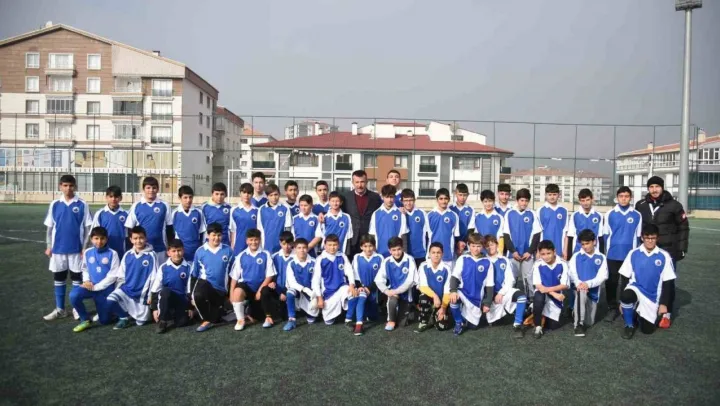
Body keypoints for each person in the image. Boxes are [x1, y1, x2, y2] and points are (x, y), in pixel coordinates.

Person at [634, 176, 688, 328]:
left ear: (662, 187)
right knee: (646, 279)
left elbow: (683, 227)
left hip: (667, 249)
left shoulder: (674, 205)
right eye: (651, 187)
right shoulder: (641, 205)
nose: (654, 190)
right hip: (647, 249)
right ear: (648, 188)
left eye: (657, 186)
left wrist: (682, 248)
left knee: (667, 280)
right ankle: (645, 308)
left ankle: (666, 313)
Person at [43, 174, 93, 321]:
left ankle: (76, 309)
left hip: (76, 249)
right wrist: (49, 246)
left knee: (77, 278)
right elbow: (50, 228)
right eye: (65, 185)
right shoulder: (55, 204)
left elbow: (88, 228)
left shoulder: (82, 204)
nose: (68, 188)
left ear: (75, 187)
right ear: (60, 186)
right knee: (59, 278)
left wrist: (85, 247)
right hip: (58, 249)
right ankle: (60, 309)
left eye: (71, 185)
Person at [619, 224, 676, 339]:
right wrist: (621, 301)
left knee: (647, 330)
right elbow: (624, 277)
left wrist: (664, 304)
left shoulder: (664, 256)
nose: (650, 241)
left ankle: (637, 312)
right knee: (626, 296)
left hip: (652, 297)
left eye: (653, 238)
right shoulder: (633, 253)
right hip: (636, 288)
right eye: (647, 238)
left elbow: (668, 283)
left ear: (657, 238)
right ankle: (629, 325)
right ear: (642, 238)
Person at [602, 186, 641, 322]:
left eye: (626, 196)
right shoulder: (610, 214)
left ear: (630, 198)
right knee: (611, 282)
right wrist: (607, 253)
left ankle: (625, 307)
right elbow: (605, 235)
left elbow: (638, 236)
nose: (624, 199)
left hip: (629, 257)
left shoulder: (637, 215)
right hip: (612, 255)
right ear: (617, 198)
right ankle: (612, 308)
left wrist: (635, 256)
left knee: (627, 283)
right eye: (621, 196)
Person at [69, 227, 120, 332]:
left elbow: (113, 276)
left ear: (106, 239)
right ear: (91, 239)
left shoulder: (113, 253)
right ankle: (85, 319)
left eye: (102, 238)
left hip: (105, 290)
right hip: (90, 286)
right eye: (96, 238)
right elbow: (85, 269)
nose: (99, 241)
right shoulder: (88, 252)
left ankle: (111, 311)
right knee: (74, 295)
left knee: (105, 321)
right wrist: (86, 281)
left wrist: (96, 287)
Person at [106, 226, 157, 329]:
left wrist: (151, 295)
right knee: (110, 300)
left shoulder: (152, 255)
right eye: (135, 238)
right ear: (131, 240)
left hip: (142, 294)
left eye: (141, 238)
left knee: (140, 323)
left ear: (146, 238)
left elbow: (154, 277)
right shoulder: (127, 254)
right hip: (127, 290)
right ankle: (124, 317)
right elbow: (121, 276)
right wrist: (118, 289)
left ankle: (141, 313)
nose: (138, 241)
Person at [189, 223, 234, 332]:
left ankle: (217, 313)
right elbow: (194, 274)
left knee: (217, 318)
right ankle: (207, 319)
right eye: (214, 235)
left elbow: (233, 274)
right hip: (205, 288)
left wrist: (230, 294)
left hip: (220, 291)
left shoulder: (228, 250)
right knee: (201, 286)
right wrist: (191, 296)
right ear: (208, 235)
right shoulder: (200, 251)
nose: (216, 238)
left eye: (219, 235)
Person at [447, 233, 494, 336]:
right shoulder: (463, 258)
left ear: (482, 246)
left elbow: (490, 285)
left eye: (478, 246)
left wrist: (487, 303)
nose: (475, 249)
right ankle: (458, 322)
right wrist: (453, 291)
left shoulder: (487, 262)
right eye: (473, 246)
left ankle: (465, 317)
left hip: (476, 299)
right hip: (463, 292)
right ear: (468, 245)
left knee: (473, 326)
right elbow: (454, 277)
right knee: (453, 299)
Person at [229, 228, 275, 331]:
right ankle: (240, 320)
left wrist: (259, 290)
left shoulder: (266, 254)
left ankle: (261, 314)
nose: (253, 242)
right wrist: (231, 294)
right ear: (247, 241)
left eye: (256, 239)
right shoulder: (241, 256)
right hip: (247, 288)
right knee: (237, 291)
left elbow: (269, 276)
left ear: (260, 240)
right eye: (251, 240)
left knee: (258, 316)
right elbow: (234, 277)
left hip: (261, 289)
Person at [567, 229, 608, 337]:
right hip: (579, 290)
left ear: (594, 242)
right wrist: (579, 284)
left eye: (587, 243)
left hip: (593, 295)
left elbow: (602, 276)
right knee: (581, 291)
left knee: (589, 323)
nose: (585, 246)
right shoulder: (576, 256)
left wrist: (588, 284)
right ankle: (578, 325)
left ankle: (576, 311)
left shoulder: (601, 257)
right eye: (583, 244)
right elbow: (572, 273)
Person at [503, 188, 541, 302]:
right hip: (513, 254)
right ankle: (511, 302)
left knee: (529, 279)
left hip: (527, 254)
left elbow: (537, 234)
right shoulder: (509, 214)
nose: (524, 203)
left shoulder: (532, 214)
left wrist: (529, 251)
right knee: (512, 279)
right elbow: (506, 235)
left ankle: (530, 301)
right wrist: (513, 251)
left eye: (526, 201)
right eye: (522, 200)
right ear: (517, 200)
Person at [484, 235, 527, 339]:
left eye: (492, 244)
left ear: (497, 245)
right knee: (489, 322)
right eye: (487, 246)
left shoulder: (504, 260)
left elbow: (510, 280)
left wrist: (501, 293)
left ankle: (517, 324)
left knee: (521, 297)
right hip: (488, 296)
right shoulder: (483, 260)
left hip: (503, 292)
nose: (490, 247)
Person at [125, 176, 173, 264]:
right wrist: (131, 247)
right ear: (143, 189)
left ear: (158, 189)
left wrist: (170, 247)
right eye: (148, 188)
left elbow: (169, 228)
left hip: (160, 248)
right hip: (142, 249)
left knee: (159, 271)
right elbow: (130, 228)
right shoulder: (136, 206)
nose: (151, 190)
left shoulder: (164, 205)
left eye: (154, 188)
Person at [312, 234, 357, 326]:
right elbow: (315, 281)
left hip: (341, 287)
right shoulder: (320, 259)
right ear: (325, 245)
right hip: (328, 292)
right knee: (328, 322)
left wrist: (352, 285)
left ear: (338, 245)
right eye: (330, 245)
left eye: (335, 245)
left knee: (352, 292)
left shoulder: (342, 256)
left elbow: (349, 271)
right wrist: (319, 298)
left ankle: (348, 318)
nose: (332, 247)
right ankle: (335, 312)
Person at [149, 239, 191, 334]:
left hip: (181, 299)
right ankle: (162, 321)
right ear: (168, 253)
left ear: (183, 251)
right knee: (165, 291)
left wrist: (190, 307)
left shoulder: (188, 267)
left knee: (182, 323)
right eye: (174, 251)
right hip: (167, 298)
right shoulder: (163, 267)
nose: (177, 253)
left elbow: (189, 289)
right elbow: (155, 288)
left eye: (179, 250)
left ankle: (173, 314)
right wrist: (155, 308)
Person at [374, 237, 417, 331]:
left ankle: (408, 309)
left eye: (399, 249)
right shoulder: (387, 261)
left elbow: (410, 281)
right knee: (393, 301)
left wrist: (396, 291)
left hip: (406, 294)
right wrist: (387, 291)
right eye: (393, 250)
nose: (397, 252)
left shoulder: (410, 259)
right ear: (389, 250)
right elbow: (378, 280)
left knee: (402, 324)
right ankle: (391, 320)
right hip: (392, 294)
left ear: (402, 248)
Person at [531, 240, 569, 339]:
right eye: (543, 254)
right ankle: (537, 326)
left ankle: (535, 311)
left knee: (553, 326)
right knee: (538, 298)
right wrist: (553, 293)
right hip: (543, 293)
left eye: (548, 253)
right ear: (539, 254)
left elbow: (564, 285)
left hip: (555, 296)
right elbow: (538, 286)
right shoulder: (537, 264)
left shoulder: (563, 264)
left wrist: (551, 292)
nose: (546, 256)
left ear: (554, 252)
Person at [341, 170, 382, 257]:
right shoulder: (346, 197)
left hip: (368, 239)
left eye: (362, 182)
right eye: (357, 182)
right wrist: (323, 213)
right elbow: (337, 210)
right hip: (352, 239)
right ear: (352, 182)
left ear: (367, 182)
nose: (359, 185)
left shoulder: (375, 197)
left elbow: (383, 211)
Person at [349, 235, 384, 333]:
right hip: (362, 289)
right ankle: (358, 325)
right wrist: (360, 286)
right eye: (365, 246)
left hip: (373, 290)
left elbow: (381, 277)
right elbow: (355, 274)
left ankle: (371, 312)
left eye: (370, 246)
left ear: (374, 246)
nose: (368, 249)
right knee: (361, 299)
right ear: (361, 247)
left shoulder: (379, 257)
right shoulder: (357, 257)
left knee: (373, 317)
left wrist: (370, 288)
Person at [415, 242, 452, 333]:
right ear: (429, 254)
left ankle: (435, 314)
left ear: (442, 254)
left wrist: (443, 307)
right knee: (423, 298)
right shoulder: (423, 266)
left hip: (442, 300)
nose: (436, 255)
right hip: (429, 298)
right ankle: (424, 321)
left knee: (442, 327)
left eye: (438, 252)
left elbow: (447, 291)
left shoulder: (447, 269)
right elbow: (422, 286)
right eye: (433, 252)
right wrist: (435, 296)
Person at [283, 238, 319, 331]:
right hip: (298, 291)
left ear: (307, 249)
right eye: (299, 248)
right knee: (290, 292)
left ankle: (308, 312)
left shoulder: (314, 262)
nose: (302, 250)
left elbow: (317, 281)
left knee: (311, 320)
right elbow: (292, 283)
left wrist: (315, 296)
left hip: (311, 293)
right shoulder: (291, 264)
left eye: (304, 248)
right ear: (295, 249)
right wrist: (304, 289)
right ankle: (292, 319)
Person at [369, 185, 408, 257]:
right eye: (387, 197)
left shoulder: (400, 213)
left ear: (395, 197)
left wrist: (404, 254)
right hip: (380, 253)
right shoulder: (376, 214)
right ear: (382, 197)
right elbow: (372, 235)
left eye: (391, 197)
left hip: (395, 254)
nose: (389, 200)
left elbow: (403, 236)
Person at [427, 188, 460, 270]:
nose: (443, 201)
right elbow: (426, 236)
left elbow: (456, 236)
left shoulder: (454, 215)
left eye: (446, 198)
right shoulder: (429, 215)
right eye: (441, 199)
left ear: (449, 199)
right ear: (437, 199)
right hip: (432, 255)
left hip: (448, 255)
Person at [90, 185, 128, 257]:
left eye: (116, 197)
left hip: (121, 250)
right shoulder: (100, 213)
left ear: (121, 198)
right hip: (104, 249)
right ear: (106, 197)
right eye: (111, 196)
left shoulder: (126, 214)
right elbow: (94, 233)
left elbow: (128, 234)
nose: (113, 199)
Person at [172, 185, 206, 262]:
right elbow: (172, 233)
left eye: (190, 197)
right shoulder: (175, 213)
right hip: (180, 251)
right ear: (180, 198)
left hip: (195, 249)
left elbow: (202, 232)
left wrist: (202, 247)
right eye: (185, 197)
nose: (188, 200)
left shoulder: (198, 212)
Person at [566, 188, 604, 257]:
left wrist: (602, 254)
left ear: (592, 199)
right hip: (578, 250)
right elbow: (570, 236)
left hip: (594, 252)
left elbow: (600, 236)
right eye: (583, 201)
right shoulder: (575, 215)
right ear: (579, 201)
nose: (585, 203)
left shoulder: (599, 215)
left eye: (587, 200)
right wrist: (569, 256)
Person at [269, 231, 295, 325]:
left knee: (286, 315)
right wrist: (272, 284)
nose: (286, 246)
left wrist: (285, 292)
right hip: (277, 290)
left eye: (289, 244)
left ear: (293, 243)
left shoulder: (296, 257)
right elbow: (271, 274)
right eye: (284, 244)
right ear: (280, 243)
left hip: (291, 289)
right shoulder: (274, 257)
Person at [256, 184, 292, 253]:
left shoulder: (285, 208)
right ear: (267, 196)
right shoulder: (261, 209)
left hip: (281, 246)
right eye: (271, 195)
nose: (274, 197)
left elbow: (288, 228)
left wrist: (286, 244)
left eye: (276, 194)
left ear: (279, 194)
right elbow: (259, 228)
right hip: (266, 245)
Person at [537, 183, 568, 259]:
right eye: (550, 194)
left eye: (554, 194)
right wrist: (538, 251)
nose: (552, 197)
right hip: (544, 249)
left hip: (559, 248)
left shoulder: (564, 210)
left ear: (559, 195)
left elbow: (566, 232)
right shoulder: (540, 210)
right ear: (545, 195)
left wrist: (565, 250)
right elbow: (537, 233)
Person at [401, 188, 428, 268]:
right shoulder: (400, 213)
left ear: (414, 200)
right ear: (402, 201)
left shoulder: (421, 213)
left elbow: (428, 234)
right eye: (406, 200)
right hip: (405, 254)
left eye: (410, 200)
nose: (408, 203)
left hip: (420, 254)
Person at [229, 183, 258, 257]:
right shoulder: (234, 210)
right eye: (244, 192)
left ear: (252, 194)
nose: (246, 195)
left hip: (253, 244)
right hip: (239, 245)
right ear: (240, 193)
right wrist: (232, 246)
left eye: (249, 193)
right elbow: (232, 230)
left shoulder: (257, 211)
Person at [471, 190, 505, 254]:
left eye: (490, 201)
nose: (488, 204)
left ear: (494, 201)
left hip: (493, 252)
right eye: (485, 201)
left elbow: (500, 237)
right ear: (482, 202)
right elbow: (475, 236)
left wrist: (500, 252)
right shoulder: (477, 217)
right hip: (480, 251)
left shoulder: (499, 217)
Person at [449, 183, 475, 255]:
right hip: (452, 244)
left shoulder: (471, 209)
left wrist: (463, 243)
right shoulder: (450, 208)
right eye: (460, 195)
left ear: (468, 195)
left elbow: (471, 229)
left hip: (465, 245)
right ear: (455, 194)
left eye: (465, 195)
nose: (462, 197)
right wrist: (457, 242)